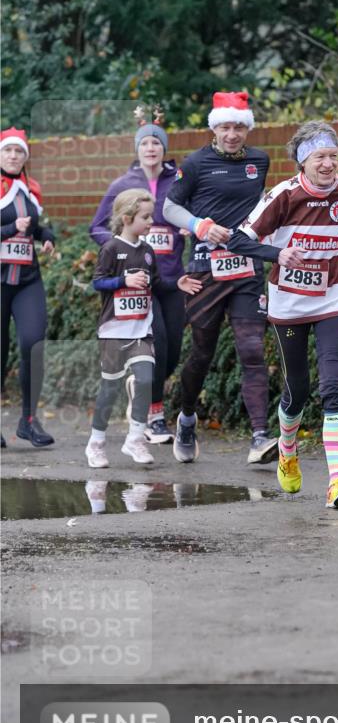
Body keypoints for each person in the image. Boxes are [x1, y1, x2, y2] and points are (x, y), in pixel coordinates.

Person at [228, 120, 338, 509]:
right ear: (303, 162)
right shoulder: (283, 196)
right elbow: (238, 239)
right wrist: (278, 254)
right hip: (289, 300)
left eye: (334, 156)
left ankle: (336, 482)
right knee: (298, 388)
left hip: (334, 294)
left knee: (334, 383)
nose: (329, 164)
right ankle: (287, 449)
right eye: (320, 157)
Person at [163, 91, 278, 465]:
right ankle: (186, 419)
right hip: (205, 271)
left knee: (252, 350)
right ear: (214, 128)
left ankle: (259, 436)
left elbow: (259, 204)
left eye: (239, 128)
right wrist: (199, 225)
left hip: (246, 269)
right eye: (225, 127)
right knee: (202, 353)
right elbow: (169, 206)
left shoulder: (259, 161)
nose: (232, 134)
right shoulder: (196, 163)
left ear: (247, 129)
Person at [89, 106, 185, 444]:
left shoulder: (179, 182)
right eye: (144, 143)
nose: (150, 148)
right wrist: (123, 246)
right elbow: (97, 227)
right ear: (137, 148)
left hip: (171, 277)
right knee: (157, 344)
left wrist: (190, 228)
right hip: (137, 283)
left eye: (156, 143)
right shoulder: (123, 184)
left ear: (164, 148)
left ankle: (141, 392)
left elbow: (194, 216)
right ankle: (154, 416)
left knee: (173, 350)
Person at [85, 189, 198, 469]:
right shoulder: (111, 248)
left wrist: (176, 285)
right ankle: (96, 443)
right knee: (110, 388)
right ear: (127, 218)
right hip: (115, 331)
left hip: (141, 330)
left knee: (146, 381)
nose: (151, 222)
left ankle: (135, 439)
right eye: (145, 217)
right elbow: (97, 282)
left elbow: (156, 284)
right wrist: (123, 281)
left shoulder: (147, 251)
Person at [1, 127, 56, 448]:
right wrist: (10, 227)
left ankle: (29, 421)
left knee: (33, 343)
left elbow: (37, 226)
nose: (13, 156)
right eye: (7, 150)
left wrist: (47, 236)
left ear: (25, 156)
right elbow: (15, 226)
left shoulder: (31, 188)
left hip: (27, 279)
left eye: (19, 151)